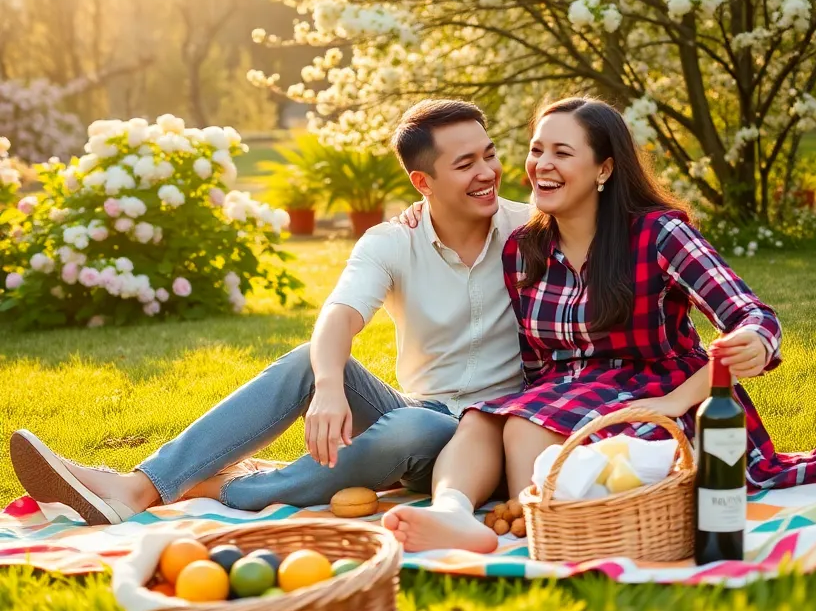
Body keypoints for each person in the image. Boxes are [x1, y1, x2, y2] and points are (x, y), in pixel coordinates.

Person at [9, 99, 531, 524]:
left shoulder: (532, 230)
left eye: (488, 155)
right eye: (465, 165)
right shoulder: (393, 242)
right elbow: (338, 314)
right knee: (317, 363)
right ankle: (139, 486)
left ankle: (236, 488)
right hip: (423, 409)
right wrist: (329, 386)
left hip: (496, 429)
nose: (488, 172)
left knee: (407, 430)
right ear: (423, 183)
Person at [384, 97, 816, 554]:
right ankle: (453, 514)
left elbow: (753, 316)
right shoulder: (525, 248)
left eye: (562, 153)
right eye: (536, 149)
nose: (541, 164)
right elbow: (537, 366)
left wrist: (744, 346)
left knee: (526, 427)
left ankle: (549, 528)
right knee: (484, 420)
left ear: (604, 169)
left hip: (656, 393)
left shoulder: (659, 235)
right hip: (562, 395)